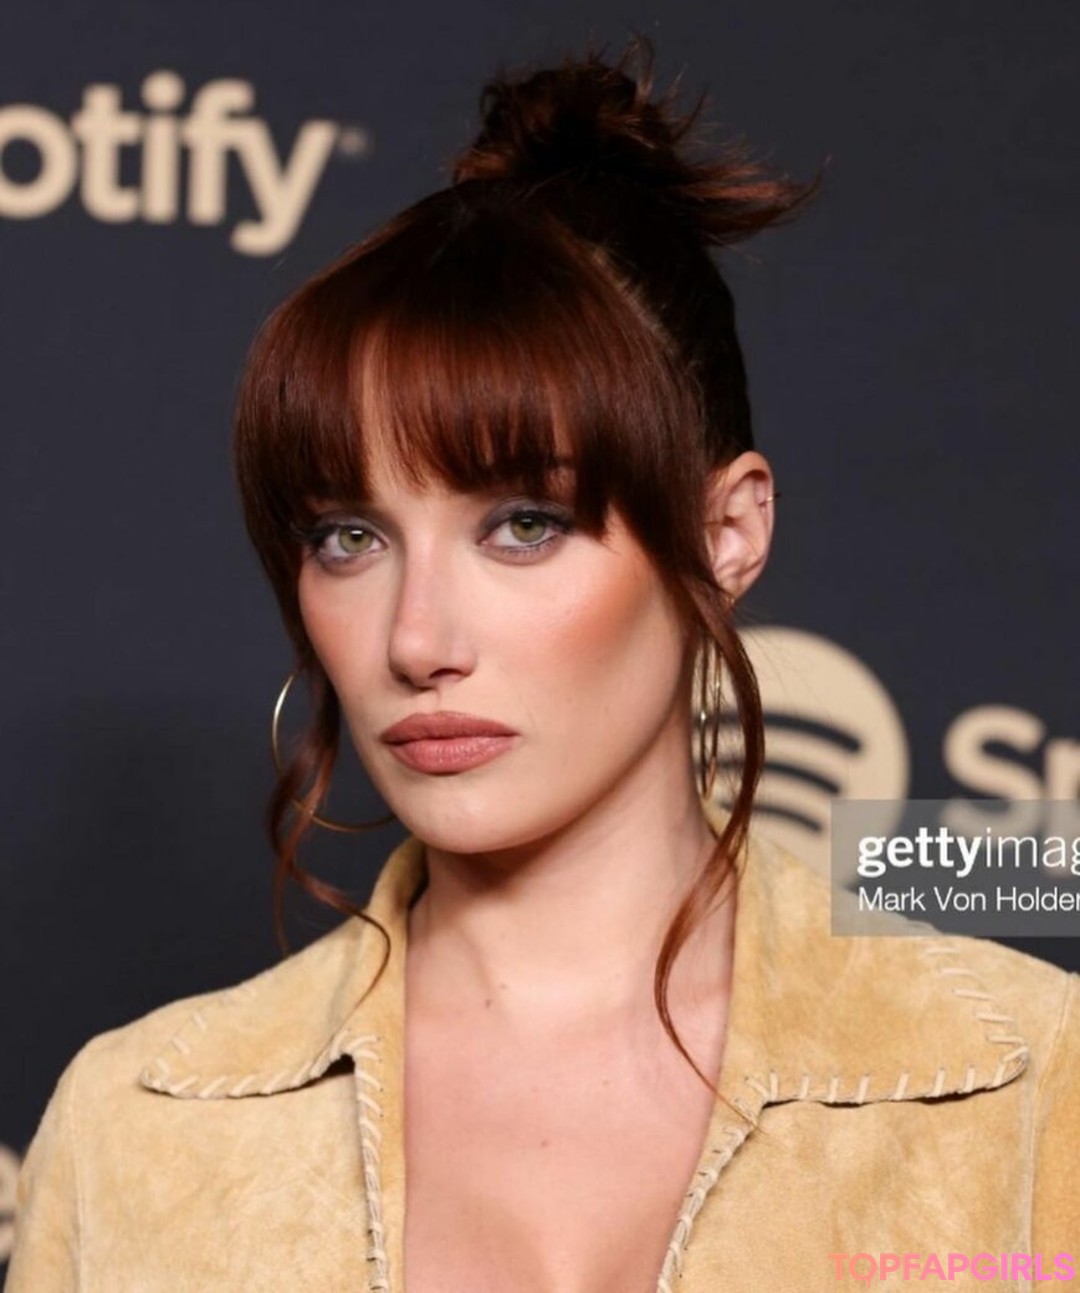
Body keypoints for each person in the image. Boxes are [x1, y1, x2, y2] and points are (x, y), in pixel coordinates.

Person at [6, 38, 1079, 1293]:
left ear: (726, 535)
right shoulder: (139, 1131)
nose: (417, 640)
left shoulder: (1030, 1087)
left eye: (524, 524)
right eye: (349, 538)